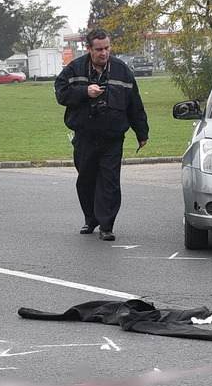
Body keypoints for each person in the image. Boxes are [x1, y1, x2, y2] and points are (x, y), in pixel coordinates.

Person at [54, 29, 149, 242]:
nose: (104, 53)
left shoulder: (122, 71)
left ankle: (106, 225)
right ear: (89, 48)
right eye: (99, 49)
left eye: (107, 48)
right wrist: (84, 92)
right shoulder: (75, 69)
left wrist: (141, 132)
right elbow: (60, 93)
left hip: (112, 138)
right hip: (85, 137)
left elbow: (135, 105)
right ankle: (91, 219)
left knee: (109, 182)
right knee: (86, 180)